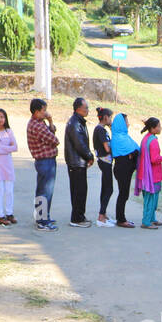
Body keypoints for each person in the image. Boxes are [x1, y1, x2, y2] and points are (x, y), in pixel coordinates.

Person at [26, 97, 59, 231]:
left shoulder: (40, 122)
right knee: (45, 191)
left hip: (45, 161)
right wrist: (49, 124)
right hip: (45, 161)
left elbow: (52, 130)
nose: (46, 113)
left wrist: (50, 121)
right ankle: (42, 221)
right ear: (36, 111)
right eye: (43, 111)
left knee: (43, 190)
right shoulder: (37, 125)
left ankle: (43, 216)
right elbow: (55, 140)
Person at [62, 96, 94, 228]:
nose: (88, 110)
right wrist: (89, 156)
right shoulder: (75, 123)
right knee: (78, 191)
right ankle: (76, 218)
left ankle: (80, 215)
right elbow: (79, 144)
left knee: (81, 190)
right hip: (76, 162)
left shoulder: (79, 122)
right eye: (86, 108)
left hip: (79, 162)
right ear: (78, 109)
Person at [135, 117, 162, 230]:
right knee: (151, 198)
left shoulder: (146, 138)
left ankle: (152, 219)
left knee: (151, 198)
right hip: (151, 175)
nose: (160, 128)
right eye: (158, 126)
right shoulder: (153, 141)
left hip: (145, 174)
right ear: (153, 128)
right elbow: (154, 159)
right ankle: (146, 222)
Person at [109, 112, 140, 228]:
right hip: (122, 170)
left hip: (124, 169)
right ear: (121, 124)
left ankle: (121, 218)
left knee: (124, 194)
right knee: (123, 194)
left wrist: (133, 154)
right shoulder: (119, 138)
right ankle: (121, 219)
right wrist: (133, 154)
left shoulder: (123, 136)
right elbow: (135, 150)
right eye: (126, 122)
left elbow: (134, 151)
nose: (128, 124)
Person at [93, 107, 114, 227]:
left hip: (105, 161)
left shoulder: (102, 129)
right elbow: (106, 148)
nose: (111, 120)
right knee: (109, 188)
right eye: (110, 117)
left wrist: (111, 128)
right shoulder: (100, 130)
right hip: (104, 161)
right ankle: (101, 217)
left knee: (105, 187)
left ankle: (103, 214)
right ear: (105, 117)